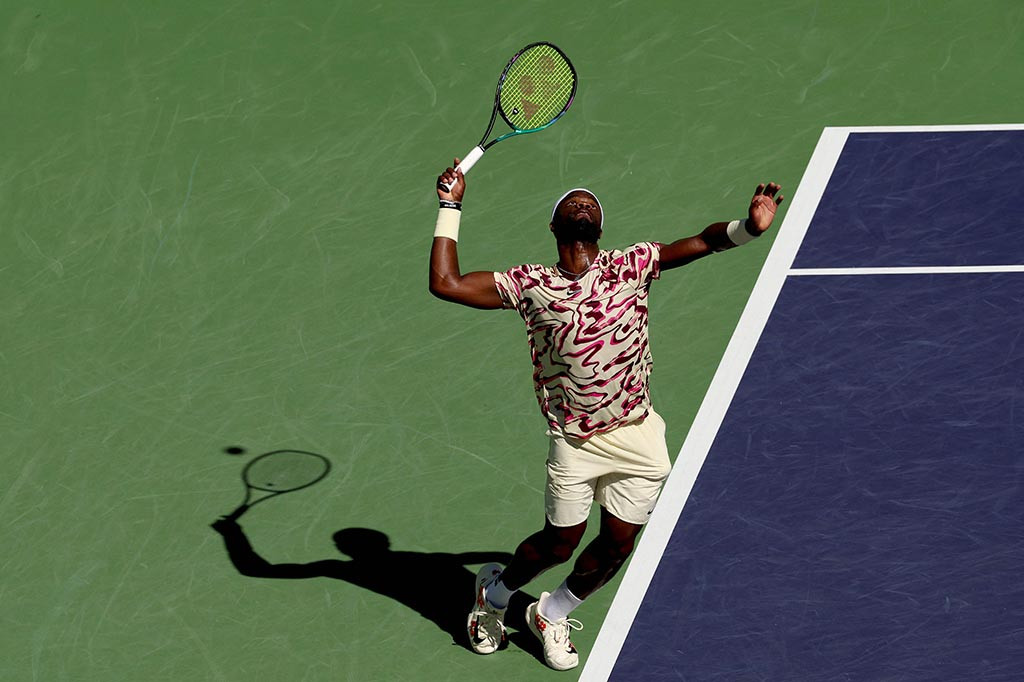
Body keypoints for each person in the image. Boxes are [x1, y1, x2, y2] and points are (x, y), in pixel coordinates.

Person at [429, 158, 783, 671]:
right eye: (571, 202)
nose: (581, 200)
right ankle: (496, 593)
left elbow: (702, 243)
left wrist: (748, 229)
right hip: (574, 441)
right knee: (559, 544)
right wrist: (450, 204)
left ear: (598, 227)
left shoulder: (630, 265)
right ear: (555, 227)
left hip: (638, 434)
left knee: (618, 545)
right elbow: (447, 282)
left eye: (589, 202)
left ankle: (552, 613)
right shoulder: (530, 285)